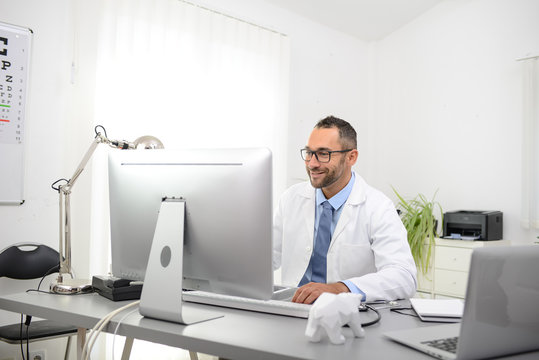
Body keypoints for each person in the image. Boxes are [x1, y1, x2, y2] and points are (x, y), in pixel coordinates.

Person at [273, 116, 417, 304]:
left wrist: (340, 288)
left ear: (351, 157)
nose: (312, 163)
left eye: (324, 154)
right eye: (309, 153)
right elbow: (266, 257)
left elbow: (403, 276)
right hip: (291, 309)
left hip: (347, 315)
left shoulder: (378, 207)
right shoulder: (291, 199)